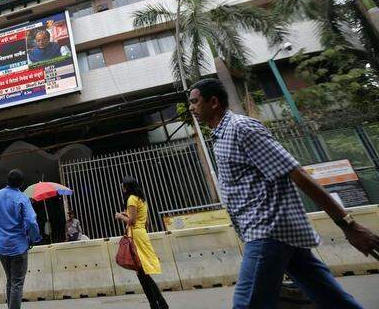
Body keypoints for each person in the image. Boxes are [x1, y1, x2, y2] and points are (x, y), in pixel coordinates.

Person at [188, 78, 379, 309]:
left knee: (247, 304)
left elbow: (297, 173)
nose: (191, 108)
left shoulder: (242, 128)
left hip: (268, 230)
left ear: (214, 102)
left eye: (195, 102)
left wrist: (347, 224)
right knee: (329, 298)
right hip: (275, 231)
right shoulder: (220, 137)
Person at [0, 169, 41, 309]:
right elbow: (32, 222)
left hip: (2, 247)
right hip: (18, 247)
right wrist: (34, 238)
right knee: (17, 283)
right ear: (21, 183)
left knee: (10, 281)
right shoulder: (22, 198)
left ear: (7, 180)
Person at [114, 176, 169, 309]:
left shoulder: (131, 199)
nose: (122, 188)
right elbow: (145, 222)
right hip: (142, 234)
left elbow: (132, 221)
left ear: (126, 187)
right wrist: (127, 215)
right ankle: (160, 303)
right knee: (143, 272)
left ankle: (156, 304)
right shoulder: (142, 200)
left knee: (142, 273)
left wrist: (120, 216)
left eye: (123, 186)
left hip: (135, 236)